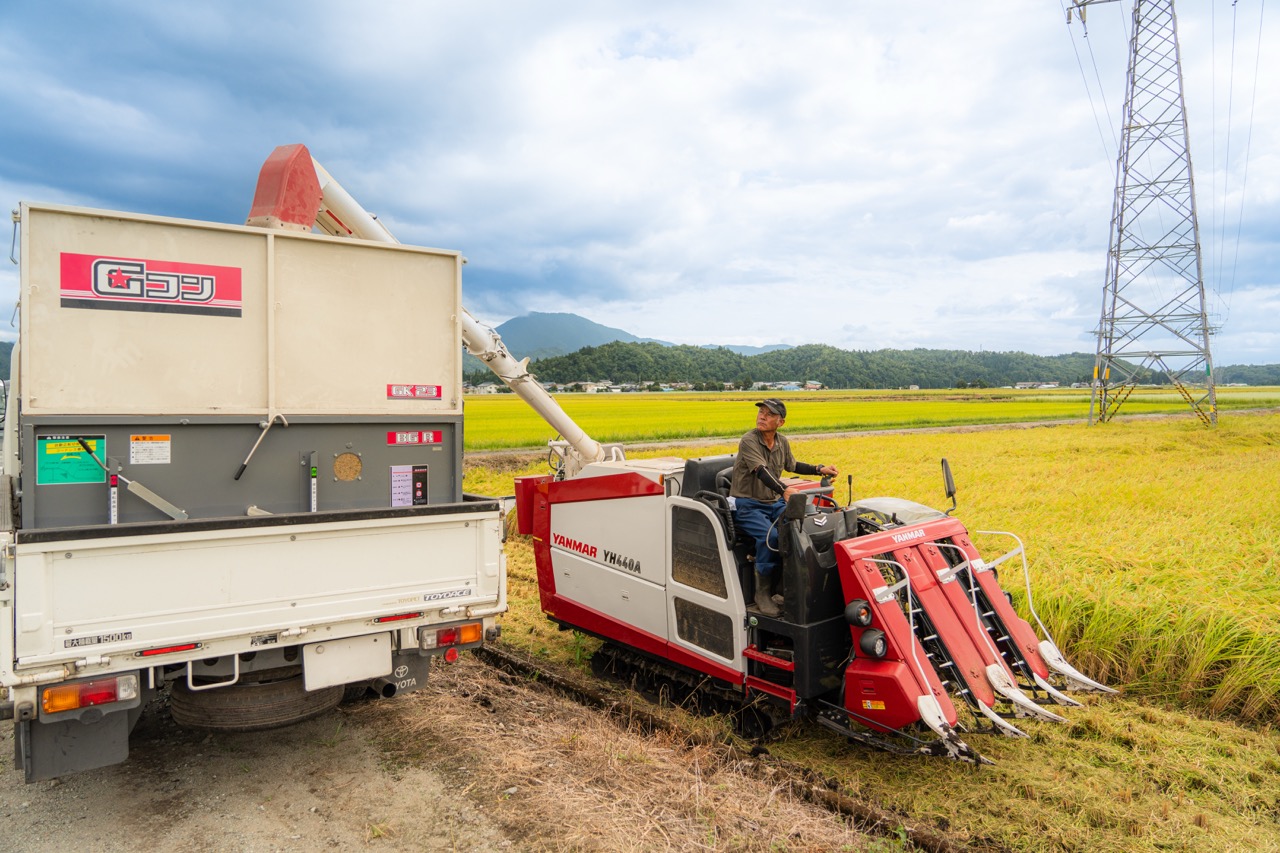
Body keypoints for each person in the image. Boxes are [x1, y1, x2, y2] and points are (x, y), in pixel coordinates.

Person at [729, 399, 838, 617]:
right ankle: (762, 594)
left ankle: (787, 586)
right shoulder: (749, 440)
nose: (762, 416)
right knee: (769, 538)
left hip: (772, 503)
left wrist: (819, 468)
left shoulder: (782, 442)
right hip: (747, 504)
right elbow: (761, 470)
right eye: (761, 412)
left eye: (769, 414)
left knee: (798, 528)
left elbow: (792, 465)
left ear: (781, 422)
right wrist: (784, 489)